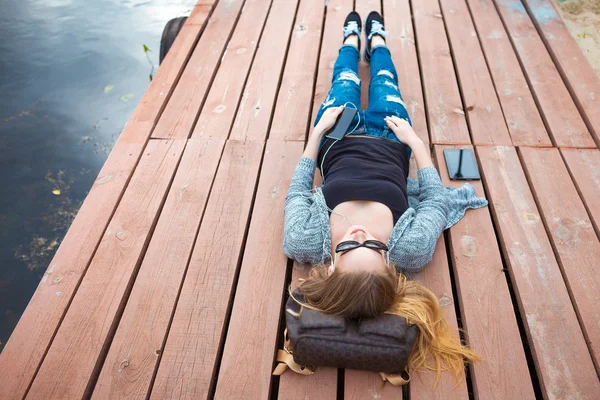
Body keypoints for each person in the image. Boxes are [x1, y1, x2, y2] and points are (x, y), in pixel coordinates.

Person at [282, 11, 487, 384]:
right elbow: (434, 200)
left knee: (343, 78)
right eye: (373, 246)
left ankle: (349, 40)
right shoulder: (409, 249)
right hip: (392, 137)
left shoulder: (306, 241)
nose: (360, 234)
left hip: (336, 137)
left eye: (347, 247)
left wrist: (318, 132)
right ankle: (377, 40)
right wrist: (415, 142)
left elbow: (297, 189)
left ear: (330, 268)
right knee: (384, 80)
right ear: (391, 266)